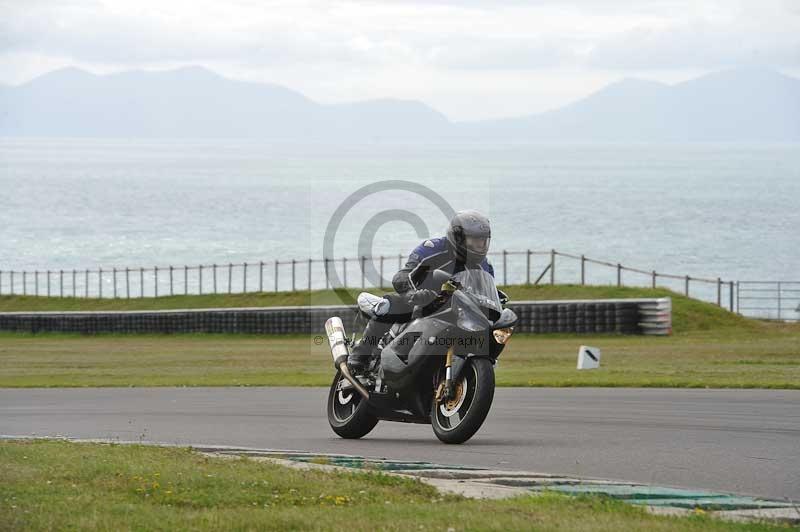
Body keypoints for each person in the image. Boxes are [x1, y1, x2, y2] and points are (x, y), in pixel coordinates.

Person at [348, 209, 494, 370]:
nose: (479, 246)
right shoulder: (433, 249)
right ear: (458, 238)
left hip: (454, 310)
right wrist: (412, 293)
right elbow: (402, 275)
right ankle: (362, 352)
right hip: (420, 302)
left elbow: (485, 293)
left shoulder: (485, 267)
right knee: (391, 303)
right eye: (473, 241)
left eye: (482, 241)